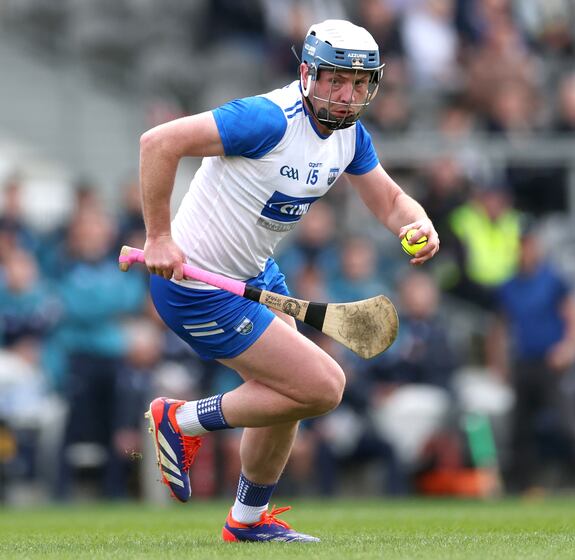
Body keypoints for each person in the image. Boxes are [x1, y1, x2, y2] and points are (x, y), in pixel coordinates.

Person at [138, 19, 439, 543]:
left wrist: (417, 222)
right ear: (307, 74)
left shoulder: (349, 137)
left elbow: (390, 201)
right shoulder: (265, 120)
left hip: (254, 272)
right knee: (322, 387)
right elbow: (157, 143)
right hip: (198, 285)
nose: (347, 96)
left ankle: (247, 521)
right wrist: (159, 237)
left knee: (289, 393)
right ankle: (181, 420)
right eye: (335, 80)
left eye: (359, 83)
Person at [487, 226, 575, 503]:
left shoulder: (552, 280)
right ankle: (521, 487)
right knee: (520, 430)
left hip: (551, 364)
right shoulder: (509, 286)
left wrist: (570, 347)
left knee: (569, 423)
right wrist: (498, 364)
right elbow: (499, 327)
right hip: (523, 363)